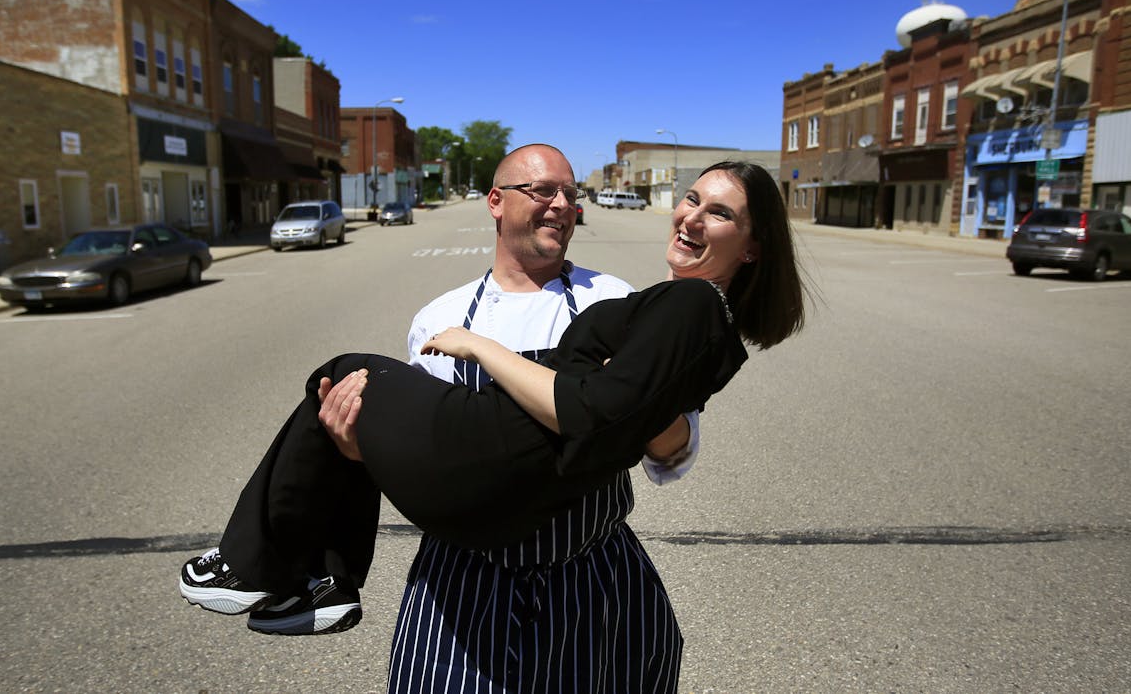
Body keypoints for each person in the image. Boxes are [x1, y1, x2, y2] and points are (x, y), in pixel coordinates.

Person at [181, 155, 805, 690]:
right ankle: (316, 575)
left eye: (570, 193)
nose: (560, 204)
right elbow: (436, 450)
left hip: (586, 570)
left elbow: (670, 441)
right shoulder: (439, 315)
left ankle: (291, 571)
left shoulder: (611, 296)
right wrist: (354, 445)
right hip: (464, 579)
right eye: (542, 191)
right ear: (497, 203)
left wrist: (636, 418)